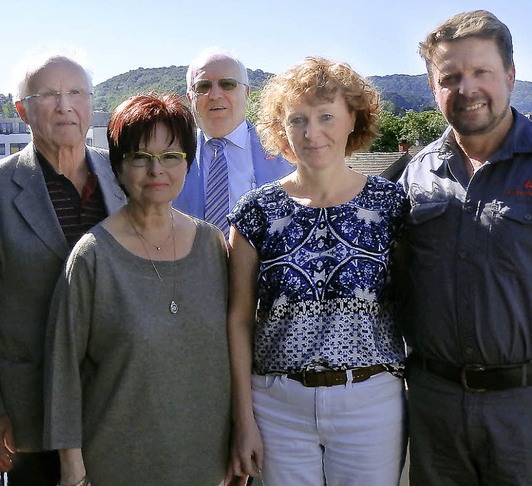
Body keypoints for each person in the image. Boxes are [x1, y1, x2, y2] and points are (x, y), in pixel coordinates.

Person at [396, 10, 532, 486]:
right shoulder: (415, 175)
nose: (466, 88)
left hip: (531, 413)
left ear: (510, 76)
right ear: (434, 88)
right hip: (435, 411)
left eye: (481, 72)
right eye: (450, 77)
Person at [227, 56, 407, 486]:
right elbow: (237, 320)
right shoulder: (256, 212)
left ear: (352, 120)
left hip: (370, 403)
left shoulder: (391, 207)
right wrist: (243, 418)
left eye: (326, 116)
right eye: (297, 119)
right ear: (281, 129)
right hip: (277, 407)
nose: (312, 132)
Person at [43, 93, 231, 486]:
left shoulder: (213, 246)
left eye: (170, 156)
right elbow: (63, 371)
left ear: (188, 162)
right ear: (117, 165)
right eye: (139, 156)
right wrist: (73, 469)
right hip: (116, 465)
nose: (155, 169)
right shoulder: (93, 256)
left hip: (207, 465)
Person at [0, 54, 126, 486]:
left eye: (75, 92)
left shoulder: (122, 175)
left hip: (117, 401)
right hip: (29, 413)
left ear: (90, 103)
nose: (64, 105)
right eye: (48, 95)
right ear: (21, 110)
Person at [172, 48, 294, 237]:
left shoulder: (286, 152)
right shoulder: (172, 154)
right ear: (190, 98)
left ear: (246, 92)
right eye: (203, 87)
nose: (214, 95)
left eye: (227, 84)